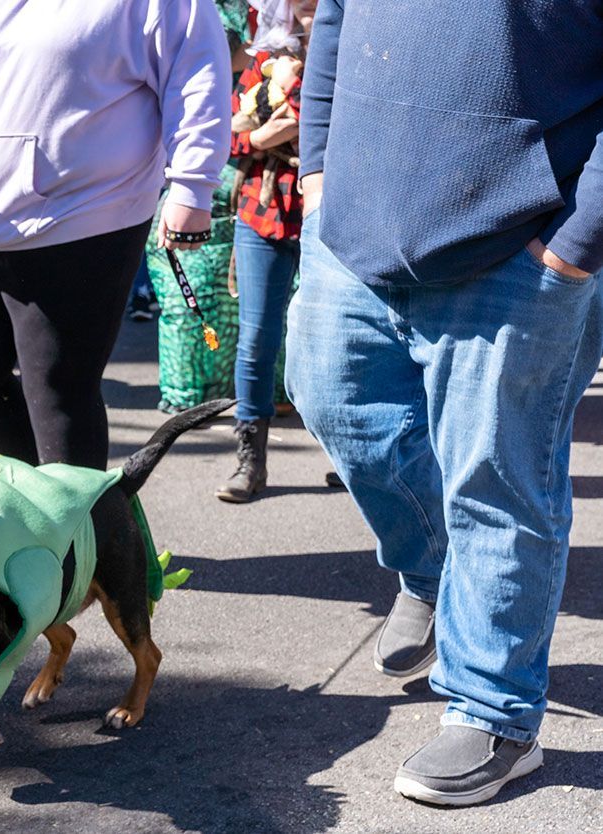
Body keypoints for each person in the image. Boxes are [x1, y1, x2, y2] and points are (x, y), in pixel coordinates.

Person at [286, 0, 603, 806]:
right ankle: (432, 572)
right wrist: (319, 177)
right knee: (331, 399)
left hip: (519, 248)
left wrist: (574, 247)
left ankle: (496, 711)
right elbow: (334, 25)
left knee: (496, 480)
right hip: (352, 233)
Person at [0, 1, 231, 468]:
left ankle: (80, 531)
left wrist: (193, 185)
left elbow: (195, 72)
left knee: (59, 394)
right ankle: (61, 507)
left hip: (84, 217)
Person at [215, 0, 308, 503]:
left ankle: (353, 454)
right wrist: (275, 130)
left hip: (331, 208)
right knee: (255, 337)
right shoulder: (260, 61)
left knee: (335, 338)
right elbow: (229, 141)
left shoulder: (350, 54)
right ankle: (250, 461)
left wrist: (274, 129)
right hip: (263, 210)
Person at [143, 0, 251, 416]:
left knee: (231, 307)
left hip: (234, 191)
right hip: (183, 185)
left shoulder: (259, 55)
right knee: (185, 303)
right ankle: (185, 395)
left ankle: (224, 392)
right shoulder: (185, 18)